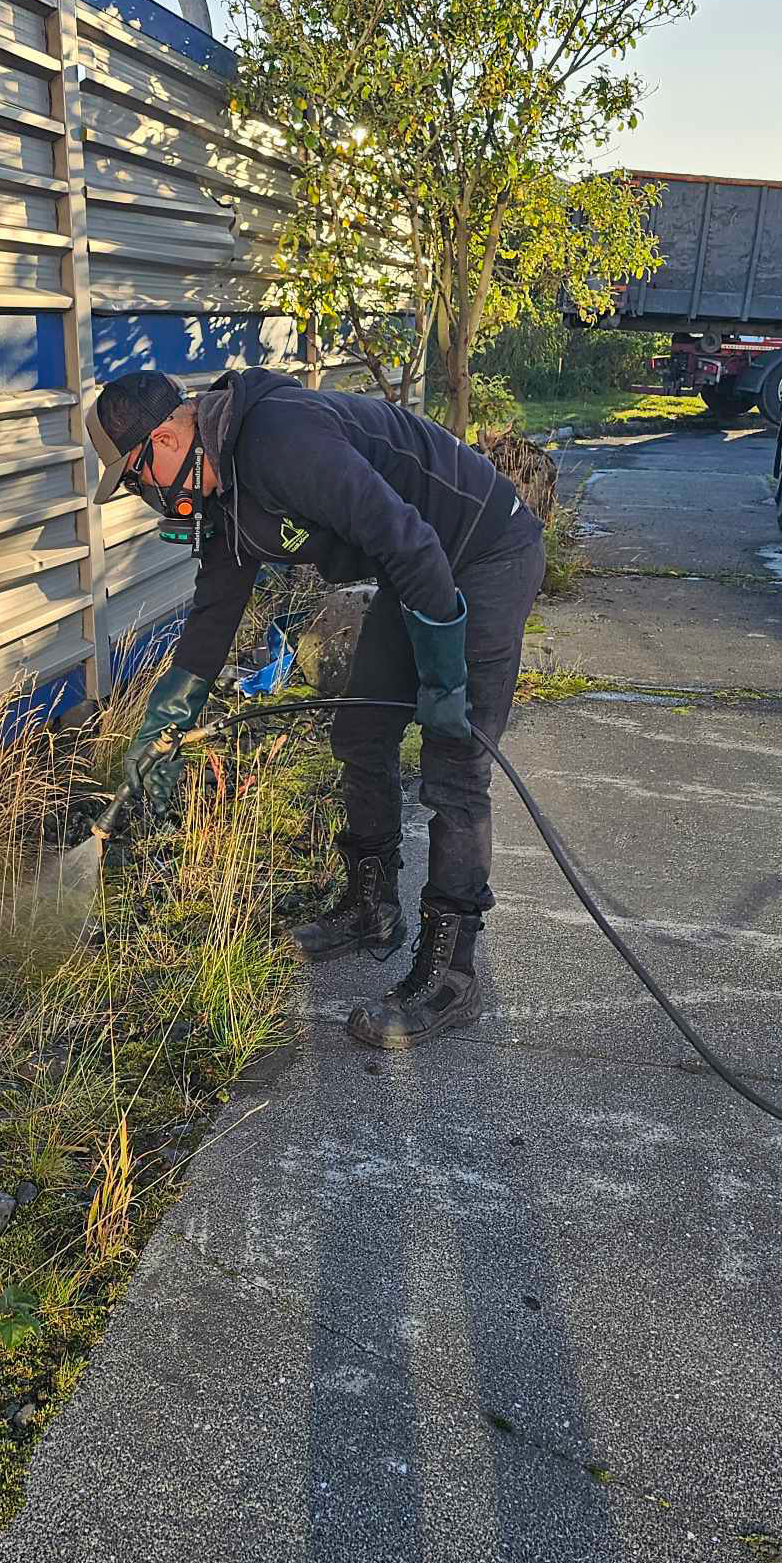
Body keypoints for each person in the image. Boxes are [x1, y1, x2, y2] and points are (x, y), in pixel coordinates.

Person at [87, 366, 545, 1050]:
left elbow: (413, 542)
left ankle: (452, 973)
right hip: (414, 566)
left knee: (455, 759)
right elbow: (215, 613)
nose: (143, 495)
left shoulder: (280, 441)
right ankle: (371, 907)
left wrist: (446, 685)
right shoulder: (225, 494)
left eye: (135, 477)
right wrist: (165, 720)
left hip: (480, 549)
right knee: (361, 731)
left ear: (164, 440)